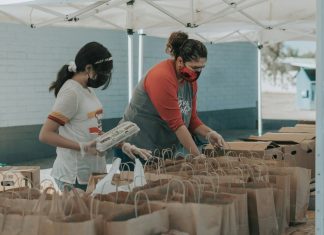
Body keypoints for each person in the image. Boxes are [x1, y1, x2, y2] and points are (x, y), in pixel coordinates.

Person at [39, 42, 150, 191]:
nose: (105, 77)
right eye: (103, 72)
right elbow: (45, 135)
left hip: (93, 172)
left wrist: (121, 144)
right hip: (74, 176)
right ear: (88, 68)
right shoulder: (71, 92)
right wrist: (82, 147)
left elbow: (92, 130)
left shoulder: (87, 90)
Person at [116, 31, 225, 165]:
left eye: (201, 68)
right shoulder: (161, 77)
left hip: (159, 152)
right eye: (195, 68)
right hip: (135, 149)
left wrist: (209, 133)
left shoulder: (190, 82)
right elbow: (177, 125)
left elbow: (191, 119)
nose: (197, 73)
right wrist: (197, 156)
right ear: (180, 61)